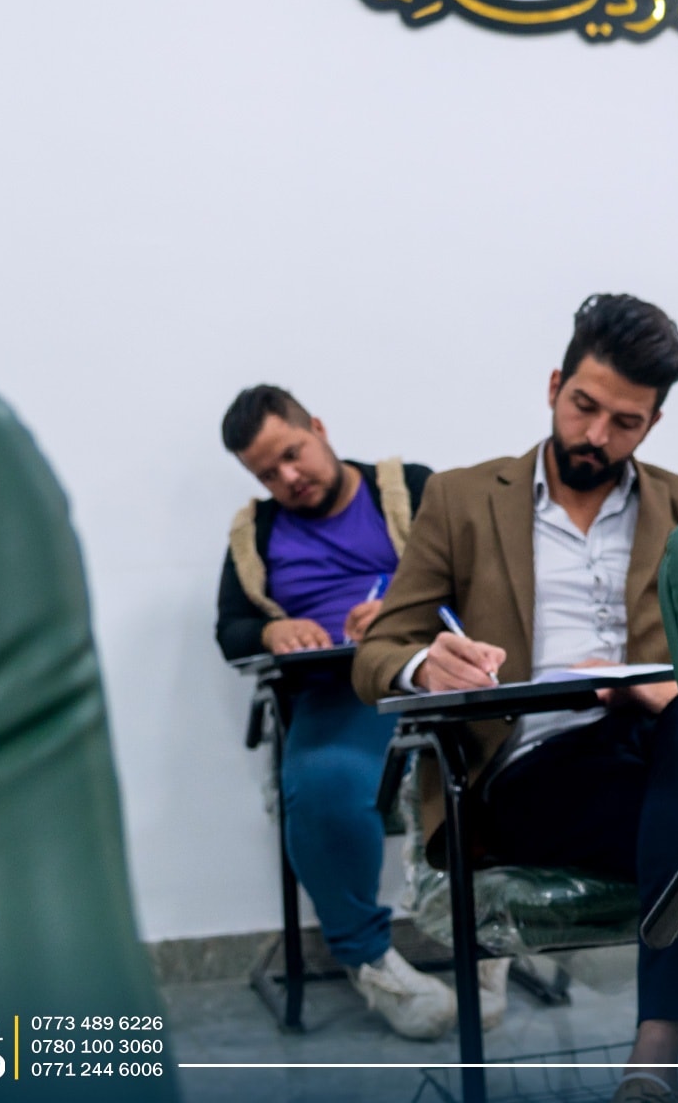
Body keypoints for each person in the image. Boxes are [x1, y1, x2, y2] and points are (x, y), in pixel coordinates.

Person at [353, 294, 678, 1103]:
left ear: (652, 424)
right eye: (584, 407)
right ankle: (669, 1046)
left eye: (625, 422)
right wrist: (426, 666)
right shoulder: (462, 498)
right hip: (528, 766)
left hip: (654, 748)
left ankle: (665, 1052)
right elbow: (379, 650)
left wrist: (666, 690)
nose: (596, 435)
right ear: (555, 386)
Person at [215, 386, 462, 1040]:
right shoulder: (256, 531)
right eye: (267, 473)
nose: (287, 478)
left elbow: (482, 574)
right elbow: (230, 629)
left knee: (515, 760)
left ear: (319, 427)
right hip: (336, 691)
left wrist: (404, 608)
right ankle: (370, 961)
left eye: (292, 454)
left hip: (431, 677)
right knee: (324, 786)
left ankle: (489, 946)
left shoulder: (407, 488)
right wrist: (272, 631)